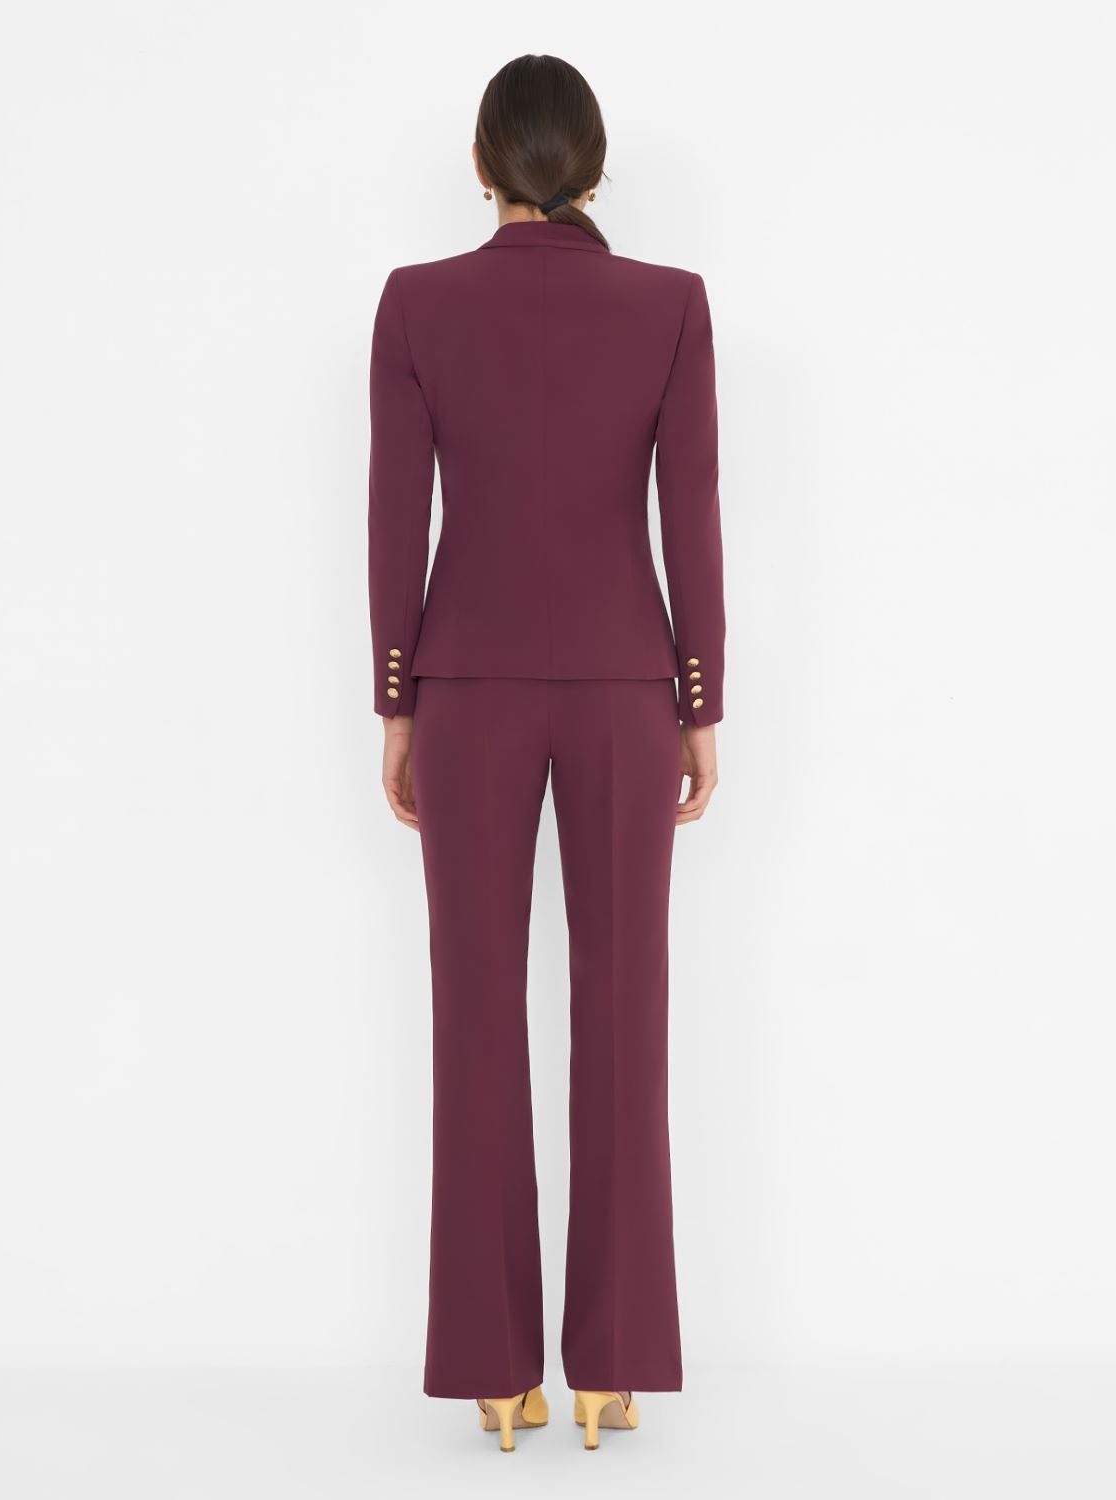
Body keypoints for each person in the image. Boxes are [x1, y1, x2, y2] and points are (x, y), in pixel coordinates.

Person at [367, 52, 724, 1454]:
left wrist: (397, 701)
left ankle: (494, 1373)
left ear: (480, 167)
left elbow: (397, 519)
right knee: (626, 1015)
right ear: (594, 167)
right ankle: (612, 1368)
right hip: (628, 690)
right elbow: (691, 516)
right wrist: (699, 700)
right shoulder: (669, 305)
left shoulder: (417, 303)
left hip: (466, 691)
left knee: (474, 1019)